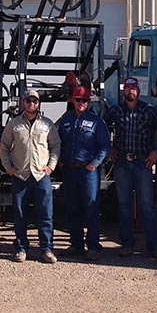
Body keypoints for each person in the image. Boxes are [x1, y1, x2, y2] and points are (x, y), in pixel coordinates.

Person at [104, 77, 157, 259]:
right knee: (124, 206)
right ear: (123, 91)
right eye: (127, 88)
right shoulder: (116, 110)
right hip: (122, 163)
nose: (130, 91)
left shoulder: (149, 110)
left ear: (138, 91)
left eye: (133, 88)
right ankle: (126, 244)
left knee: (147, 206)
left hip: (143, 163)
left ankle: (153, 246)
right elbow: (102, 127)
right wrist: (108, 148)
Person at [0, 88, 61, 264]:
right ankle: (20, 248)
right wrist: (8, 167)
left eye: (34, 101)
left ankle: (46, 249)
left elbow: (55, 146)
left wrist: (50, 166)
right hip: (21, 176)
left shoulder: (47, 124)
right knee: (19, 213)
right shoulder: (14, 125)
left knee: (46, 213)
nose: (31, 104)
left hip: (41, 176)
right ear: (22, 103)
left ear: (38, 104)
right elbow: (4, 146)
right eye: (28, 101)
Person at [56, 83, 110, 261]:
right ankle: (76, 244)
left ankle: (93, 246)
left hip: (88, 172)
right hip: (69, 171)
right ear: (72, 100)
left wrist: (94, 164)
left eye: (84, 100)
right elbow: (57, 142)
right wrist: (61, 163)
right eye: (78, 99)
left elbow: (104, 146)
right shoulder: (65, 121)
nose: (81, 103)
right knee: (73, 208)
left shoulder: (96, 122)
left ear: (88, 102)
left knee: (91, 208)